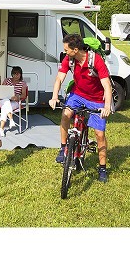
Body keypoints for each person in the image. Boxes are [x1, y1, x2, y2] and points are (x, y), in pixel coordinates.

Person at [48, 33, 112, 182]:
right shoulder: (69, 59)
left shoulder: (96, 60)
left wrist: (107, 106)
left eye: (66, 49)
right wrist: (54, 96)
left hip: (96, 99)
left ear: (75, 50)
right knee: (65, 115)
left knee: (99, 134)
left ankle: (102, 168)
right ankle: (63, 148)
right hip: (77, 94)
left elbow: (106, 85)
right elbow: (59, 78)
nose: (64, 52)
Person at [0, 66, 28, 133]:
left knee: (4, 108)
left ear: (20, 74)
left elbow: (24, 95)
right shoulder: (7, 80)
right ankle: (11, 120)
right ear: (12, 74)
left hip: (15, 102)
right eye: (14, 74)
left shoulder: (23, 83)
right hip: (4, 100)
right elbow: (1, 90)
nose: (16, 76)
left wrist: (17, 97)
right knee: (6, 102)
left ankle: (1, 129)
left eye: (18, 74)